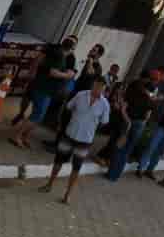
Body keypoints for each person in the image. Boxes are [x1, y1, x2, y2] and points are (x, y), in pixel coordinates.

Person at [38, 77, 111, 205]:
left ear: (104, 89)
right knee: (58, 161)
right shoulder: (81, 95)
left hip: (85, 140)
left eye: (101, 87)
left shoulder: (105, 104)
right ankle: (49, 184)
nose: (97, 89)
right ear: (93, 84)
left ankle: (67, 195)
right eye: (96, 85)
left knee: (76, 168)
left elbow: (104, 121)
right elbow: (69, 107)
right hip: (69, 134)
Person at [9, 35, 77, 151]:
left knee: (38, 115)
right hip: (43, 88)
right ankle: (18, 136)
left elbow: (68, 70)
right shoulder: (58, 55)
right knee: (37, 115)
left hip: (47, 88)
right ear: (70, 48)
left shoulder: (64, 55)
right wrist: (67, 75)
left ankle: (24, 135)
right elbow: (53, 72)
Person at [107, 67, 164, 181]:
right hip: (136, 121)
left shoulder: (136, 85)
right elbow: (151, 106)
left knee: (121, 147)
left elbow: (126, 101)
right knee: (127, 148)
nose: (153, 81)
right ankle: (115, 175)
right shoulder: (148, 89)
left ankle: (112, 174)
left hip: (128, 120)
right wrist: (155, 99)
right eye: (153, 79)